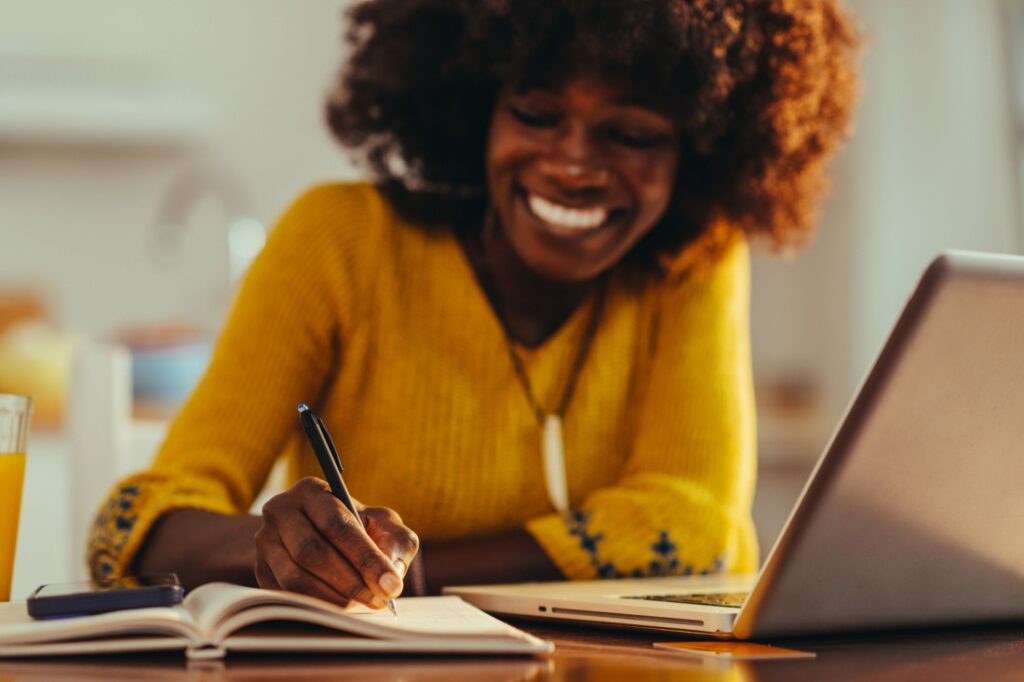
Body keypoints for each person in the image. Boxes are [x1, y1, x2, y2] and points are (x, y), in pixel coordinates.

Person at [88, 0, 858, 607]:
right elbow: (132, 528)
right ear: (476, 107)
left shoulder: (693, 262)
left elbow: (699, 530)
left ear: (701, 148)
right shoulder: (341, 241)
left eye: (627, 133)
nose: (573, 166)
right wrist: (271, 544)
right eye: (536, 114)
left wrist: (416, 575)